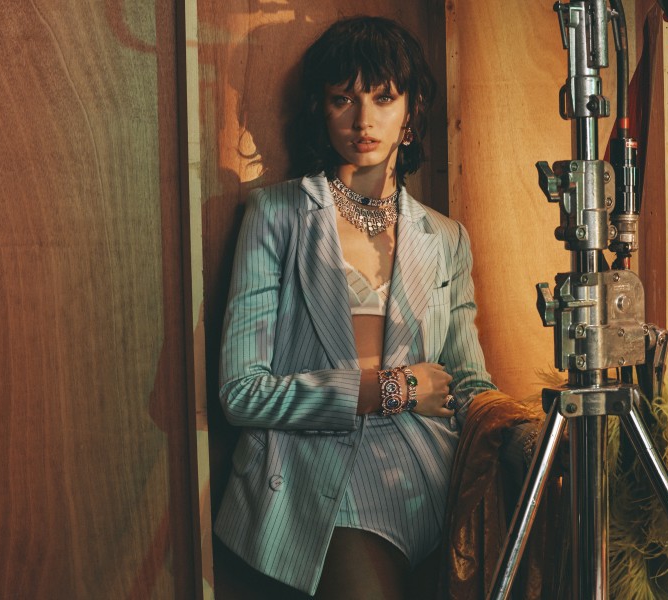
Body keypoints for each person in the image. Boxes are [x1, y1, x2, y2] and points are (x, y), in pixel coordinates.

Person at [212, 16, 498, 599]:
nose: (363, 120)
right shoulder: (278, 215)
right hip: (314, 470)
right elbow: (241, 391)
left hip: (428, 471)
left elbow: (468, 383)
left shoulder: (445, 238)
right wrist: (390, 389)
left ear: (411, 112)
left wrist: (522, 432)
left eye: (383, 98)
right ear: (321, 110)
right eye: (343, 98)